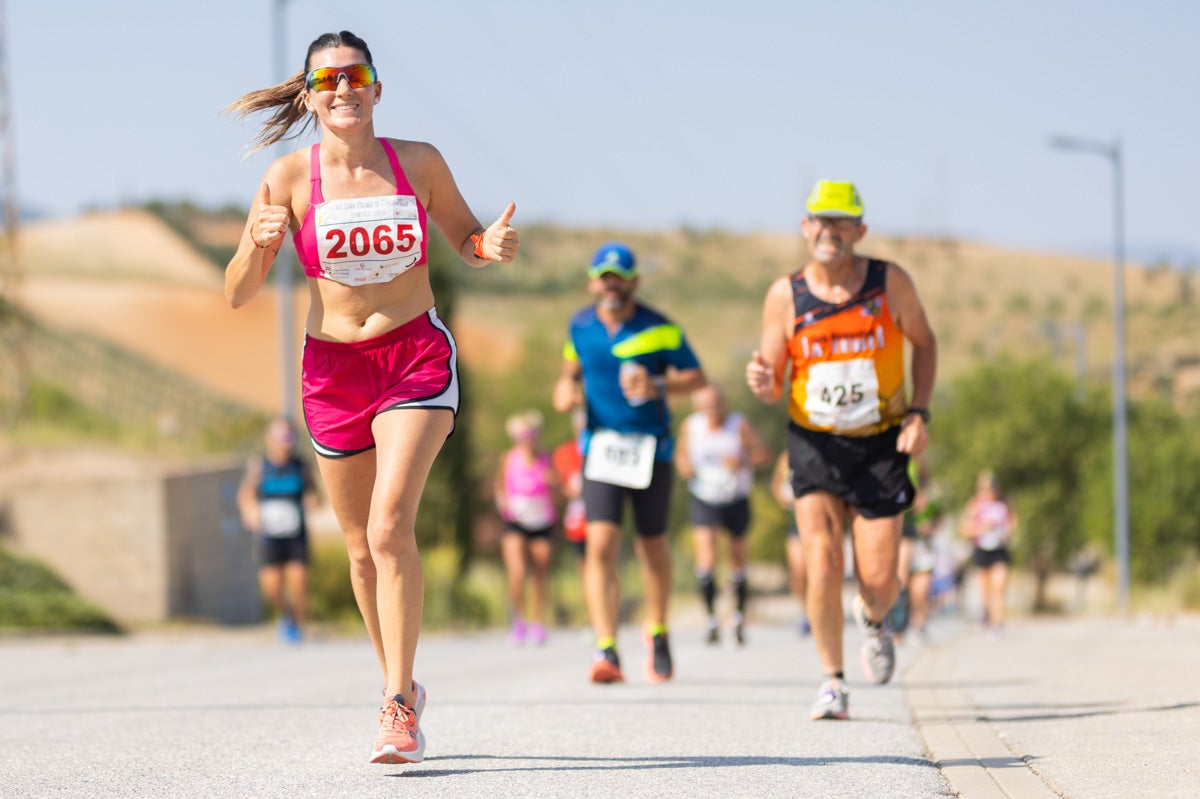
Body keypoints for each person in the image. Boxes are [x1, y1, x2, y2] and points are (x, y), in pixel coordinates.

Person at [224, 30, 518, 765]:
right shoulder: (288, 177)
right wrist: (258, 244)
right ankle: (404, 684)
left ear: (378, 88)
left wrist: (491, 248)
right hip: (332, 373)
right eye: (326, 80)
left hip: (414, 358)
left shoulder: (417, 163)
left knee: (390, 528)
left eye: (355, 76)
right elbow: (236, 295)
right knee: (360, 550)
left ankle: (394, 707)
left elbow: (465, 237)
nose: (342, 89)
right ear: (309, 94)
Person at [745, 180, 937, 721]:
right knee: (822, 560)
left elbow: (925, 342)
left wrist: (919, 412)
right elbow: (772, 373)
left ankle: (874, 620)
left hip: (879, 442)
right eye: (821, 222)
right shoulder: (785, 295)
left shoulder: (889, 283)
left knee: (879, 580)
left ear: (860, 231)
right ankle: (832, 680)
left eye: (842, 223)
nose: (830, 231)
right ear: (806, 228)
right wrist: (762, 380)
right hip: (814, 443)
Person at [552, 242, 706, 684]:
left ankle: (657, 629)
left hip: (651, 450)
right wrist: (565, 392)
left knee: (651, 546)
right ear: (592, 282)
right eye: (604, 276)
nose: (611, 284)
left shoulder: (660, 328)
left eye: (619, 276)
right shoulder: (579, 325)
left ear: (635, 281)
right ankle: (606, 647)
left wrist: (658, 384)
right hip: (600, 449)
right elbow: (568, 375)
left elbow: (697, 377)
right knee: (600, 544)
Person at [675, 383, 770, 645]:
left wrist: (742, 461)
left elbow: (763, 453)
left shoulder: (739, 425)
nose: (711, 410)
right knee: (706, 554)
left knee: (737, 555)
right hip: (704, 496)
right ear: (698, 407)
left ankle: (738, 617)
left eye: (715, 404)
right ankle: (711, 618)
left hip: (735, 496)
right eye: (705, 405)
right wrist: (686, 467)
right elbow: (681, 456)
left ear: (723, 403)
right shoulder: (691, 427)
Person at [237, 417, 320, 643]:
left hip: (296, 535)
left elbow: (314, 493)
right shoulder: (259, 466)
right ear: (269, 440)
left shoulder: (301, 466)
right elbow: (245, 495)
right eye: (281, 437)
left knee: (299, 584)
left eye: (290, 437)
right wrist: (250, 511)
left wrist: (312, 500)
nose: (286, 443)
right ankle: (286, 613)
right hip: (269, 536)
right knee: (271, 588)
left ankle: (297, 624)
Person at [494, 410, 558, 646]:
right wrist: (503, 503)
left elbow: (556, 486)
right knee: (518, 572)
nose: (526, 439)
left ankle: (538, 623)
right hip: (516, 521)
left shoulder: (545, 459)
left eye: (530, 435)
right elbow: (499, 485)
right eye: (521, 435)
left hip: (542, 521)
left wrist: (554, 483)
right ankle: (518, 621)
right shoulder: (508, 459)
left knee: (540, 573)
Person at [961, 470, 1017, 635]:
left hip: (1000, 550)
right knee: (986, 590)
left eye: (993, 487)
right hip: (982, 550)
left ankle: (998, 623)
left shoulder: (1004, 504)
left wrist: (1008, 531)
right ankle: (987, 614)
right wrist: (982, 528)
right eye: (986, 488)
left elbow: (1013, 523)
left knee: (999, 587)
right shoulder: (975, 505)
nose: (990, 491)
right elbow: (965, 529)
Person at [770, 451, 810, 635]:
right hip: (795, 522)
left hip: (819, 521)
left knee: (820, 569)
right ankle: (805, 613)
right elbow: (776, 486)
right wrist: (785, 498)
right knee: (798, 571)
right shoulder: (784, 459)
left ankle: (820, 610)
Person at [552, 408, 589, 586]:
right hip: (578, 516)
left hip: (603, 513)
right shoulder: (564, 453)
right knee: (582, 561)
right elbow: (560, 486)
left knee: (602, 555)